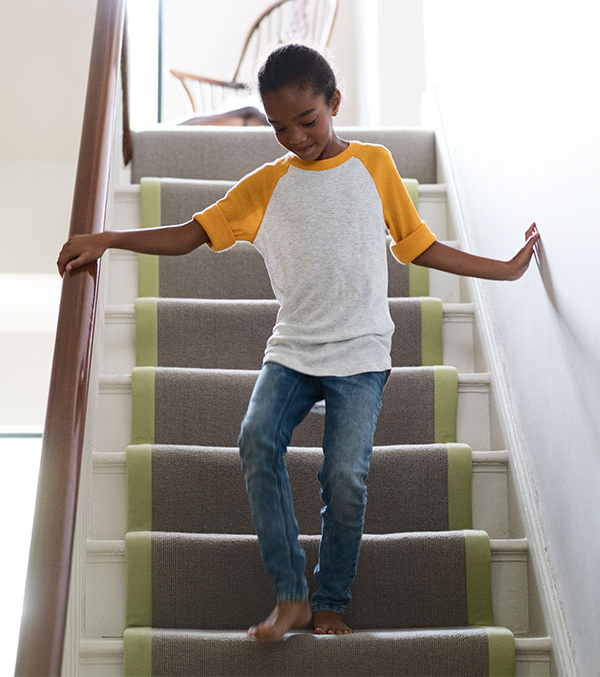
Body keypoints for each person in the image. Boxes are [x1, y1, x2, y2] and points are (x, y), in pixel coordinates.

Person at [58, 43, 540, 643]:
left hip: (362, 356)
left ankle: (330, 600)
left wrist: (505, 269)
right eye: (278, 127)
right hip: (293, 351)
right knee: (256, 438)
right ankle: (291, 596)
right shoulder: (265, 186)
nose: (295, 137)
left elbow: (417, 245)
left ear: (334, 102)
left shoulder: (375, 165)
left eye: (307, 121)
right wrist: (108, 238)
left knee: (345, 479)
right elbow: (189, 235)